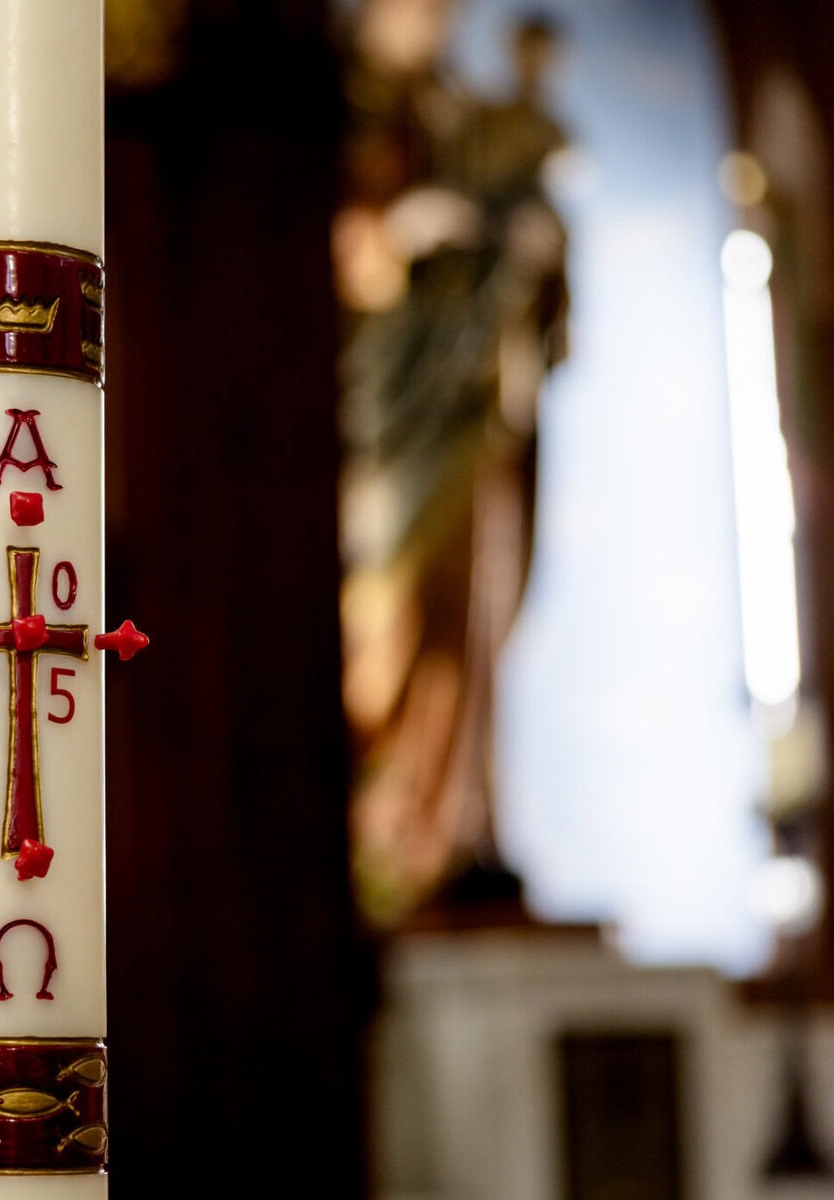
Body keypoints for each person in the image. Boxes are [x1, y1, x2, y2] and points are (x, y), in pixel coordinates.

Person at [338, 13, 571, 926]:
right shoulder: (336, 102)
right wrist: (396, 230)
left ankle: (441, 824)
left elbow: (530, 216)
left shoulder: (471, 115)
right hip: (380, 413)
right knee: (379, 615)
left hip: (464, 409)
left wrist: (533, 246)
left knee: (460, 615)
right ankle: (378, 819)